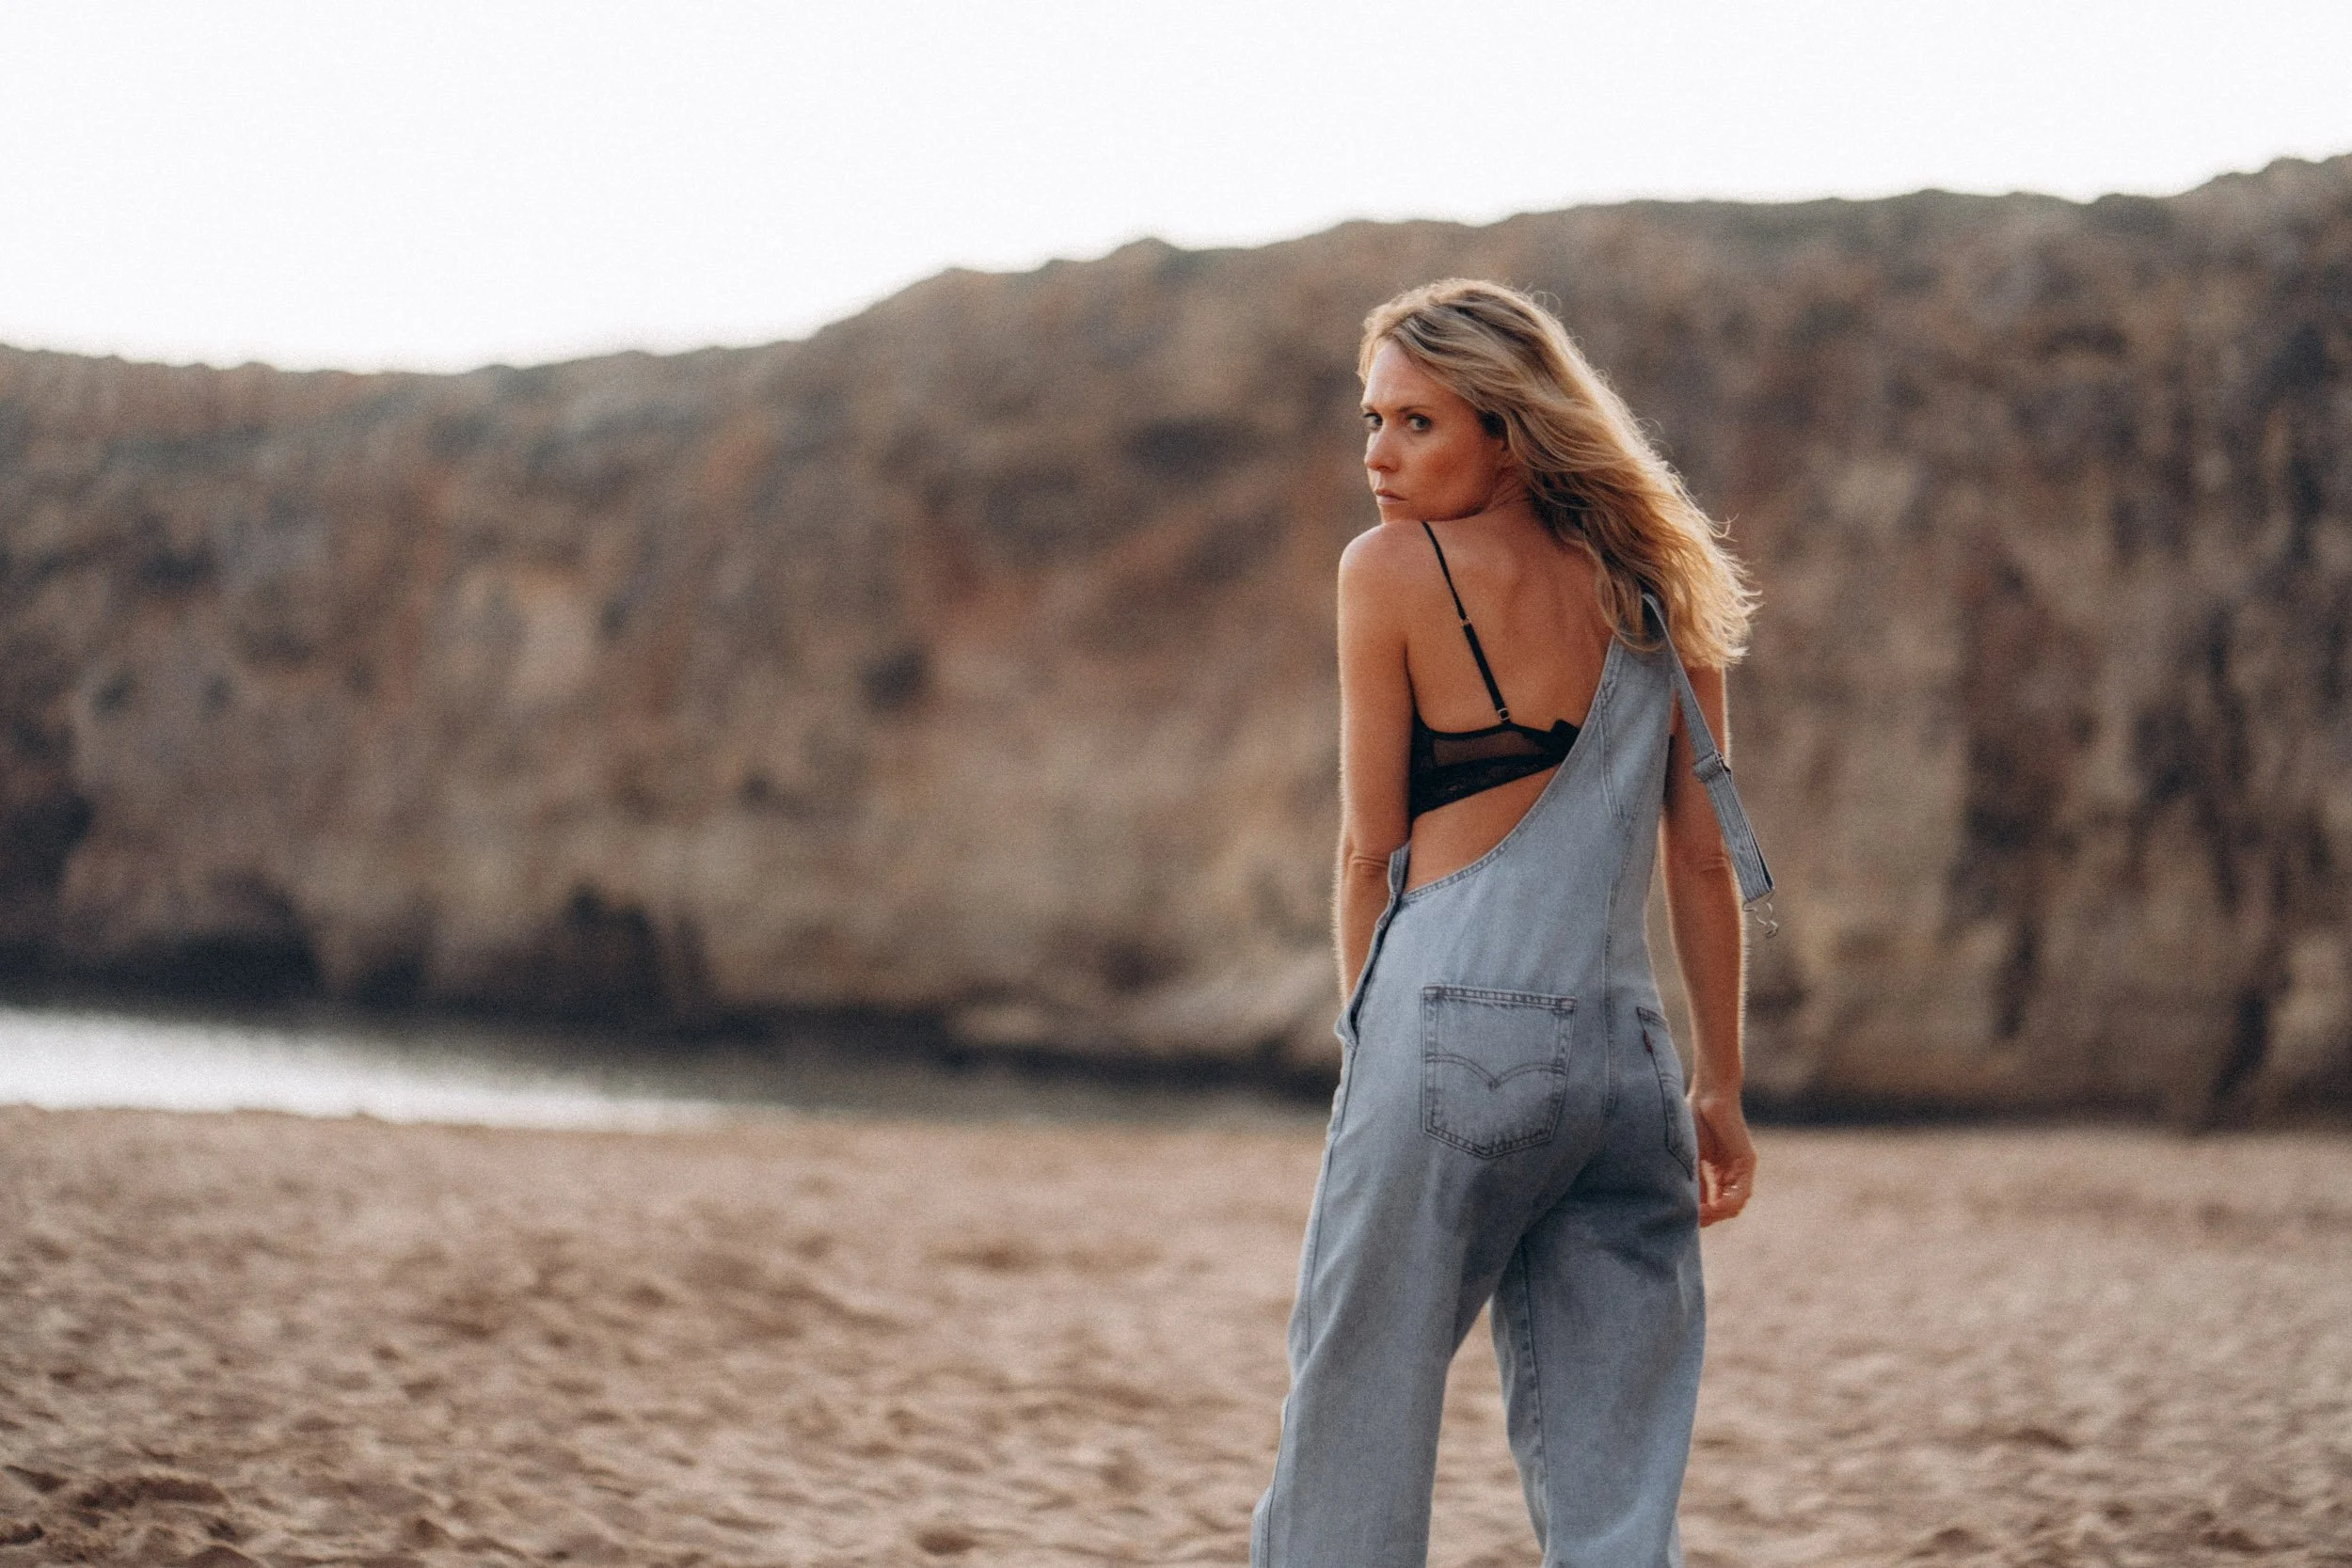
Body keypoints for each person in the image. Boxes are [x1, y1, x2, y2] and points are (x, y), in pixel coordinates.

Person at [1251, 279, 1772, 1568]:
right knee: (1616, 1467)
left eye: (1418, 422)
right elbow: (1699, 855)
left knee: (1358, 1404)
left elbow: (1370, 849)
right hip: (1626, 1058)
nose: (1379, 454)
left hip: (1446, 1028)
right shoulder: (1660, 584)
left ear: (1508, 429)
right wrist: (1717, 1085)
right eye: (1373, 419)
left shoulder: (1390, 570)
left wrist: (1369, 1042)